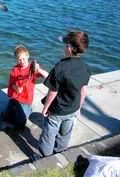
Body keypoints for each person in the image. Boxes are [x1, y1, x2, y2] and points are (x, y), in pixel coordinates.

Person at [32, 29, 91, 160]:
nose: (64, 47)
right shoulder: (86, 68)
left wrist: (46, 108)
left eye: (65, 45)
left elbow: (53, 91)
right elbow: (83, 90)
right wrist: (79, 108)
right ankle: (60, 152)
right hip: (73, 109)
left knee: (49, 134)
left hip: (57, 111)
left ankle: (43, 156)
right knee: (65, 134)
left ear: (70, 48)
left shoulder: (61, 66)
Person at [1, 44, 49, 129]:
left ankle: (29, 109)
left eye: (23, 59)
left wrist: (39, 69)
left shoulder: (33, 67)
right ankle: (14, 110)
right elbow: (12, 83)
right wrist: (17, 88)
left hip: (26, 99)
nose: (22, 61)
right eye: (19, 60)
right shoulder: (15, 69)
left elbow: (48, 76)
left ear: (28, 56)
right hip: (15, 97)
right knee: (6, 117)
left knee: (20, 123)